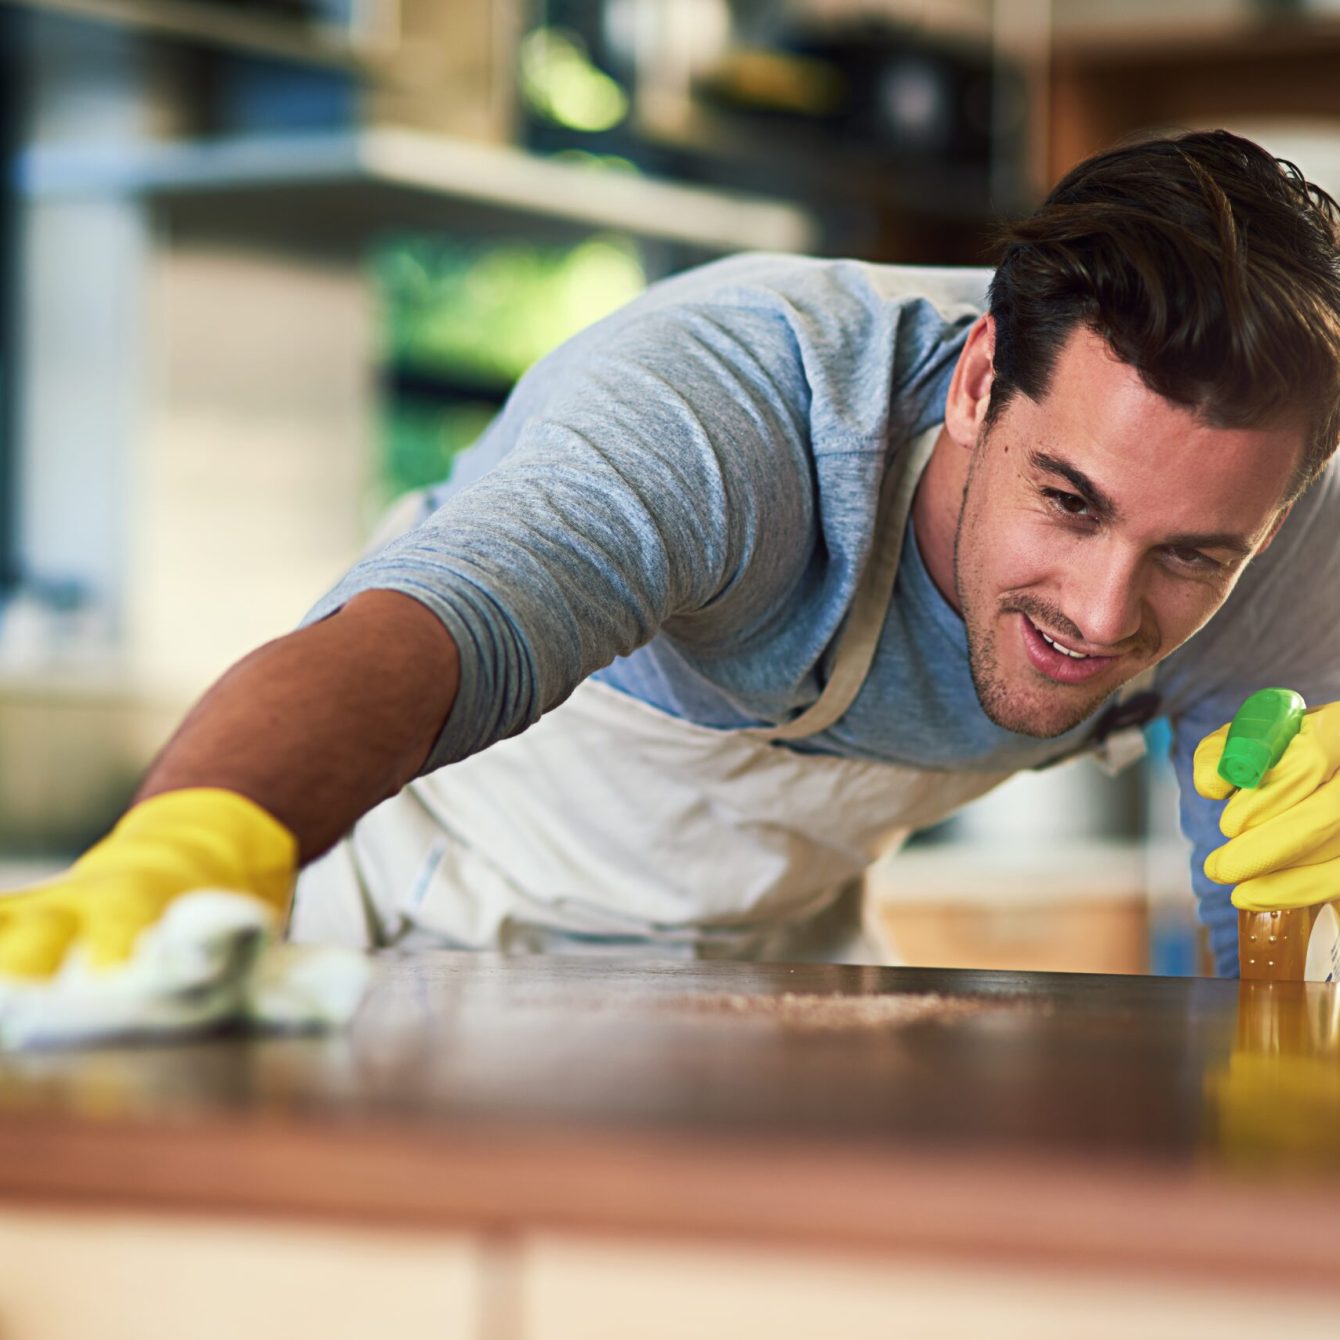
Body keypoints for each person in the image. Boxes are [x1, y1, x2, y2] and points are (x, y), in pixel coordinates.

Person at [3, 128, 1339, 994]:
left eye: (1192, 556)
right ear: (981, 383)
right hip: (429, 924)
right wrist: (189, 840)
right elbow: (434, 629)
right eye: (1067, 503)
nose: (1103, 611)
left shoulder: (1279, 528)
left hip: (774, 975)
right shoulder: (741, 404)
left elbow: (1270, 939)